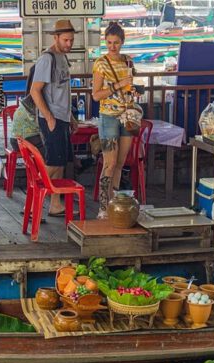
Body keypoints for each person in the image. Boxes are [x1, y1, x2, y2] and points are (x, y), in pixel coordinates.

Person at [29, 19, 78, 217]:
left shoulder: (63, 58)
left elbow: (63, 90)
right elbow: (35, 90)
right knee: (52, 162)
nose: (69, 44)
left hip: (62, 116)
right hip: (51, 117)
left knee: (60, 162)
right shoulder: (47, 59)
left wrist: (71, 117)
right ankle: (32, 205)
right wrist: (48, 116)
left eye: (71, 40)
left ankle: (55, 204)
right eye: (66, 40)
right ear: (56, 37)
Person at [92, 22, 136, 219]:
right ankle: (103, 206)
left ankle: (114, 203)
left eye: (116, 43)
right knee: (109, 163)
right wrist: (119, 85)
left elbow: (133, 86)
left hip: (127, 115)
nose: (112, 46)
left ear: (122, 42)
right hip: (108, 116)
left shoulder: (128, 61)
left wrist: (133, 90)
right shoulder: (100, 63)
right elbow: (95, 95)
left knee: (120, 162)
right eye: (109, 42)